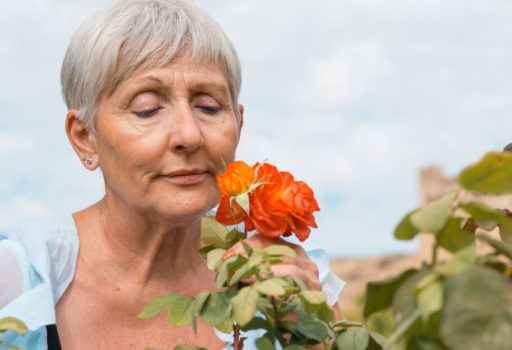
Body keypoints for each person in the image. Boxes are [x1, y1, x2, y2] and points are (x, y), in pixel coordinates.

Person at [0, 0, 345, 349]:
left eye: (209, 107)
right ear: (85, 137)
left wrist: (306, 337)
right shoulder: (16, 283)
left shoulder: (291, 283)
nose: (190, 135)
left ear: (238, 125)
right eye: (147, 109)